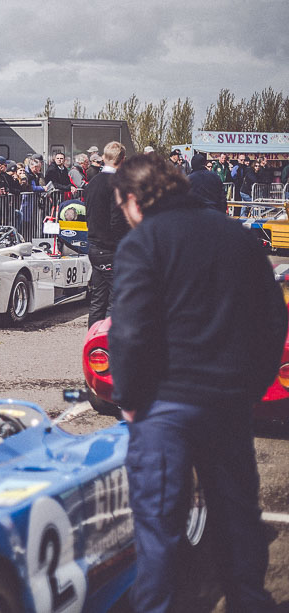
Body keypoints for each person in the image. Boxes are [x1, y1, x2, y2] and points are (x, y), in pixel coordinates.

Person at [109, 152, 285, 613]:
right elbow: (273, 321)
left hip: (163, 409)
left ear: (132, 199)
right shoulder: (238, 237)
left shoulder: (142, 242)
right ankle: (249, 601)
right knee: (237, 520)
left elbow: (129, 330)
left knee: (160, 531)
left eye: (121, 205)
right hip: (227, 401)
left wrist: (127, 397)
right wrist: (251, 387)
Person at [84, 141, 127, 329]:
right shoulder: (117, 185)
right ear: (123, 160)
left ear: (103, 158)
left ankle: (93, 342)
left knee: (98, 300)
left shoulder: (92, 183)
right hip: (110, 247)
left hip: (94, 246)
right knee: (116, 299)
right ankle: (108, 343)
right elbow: (117, 221)